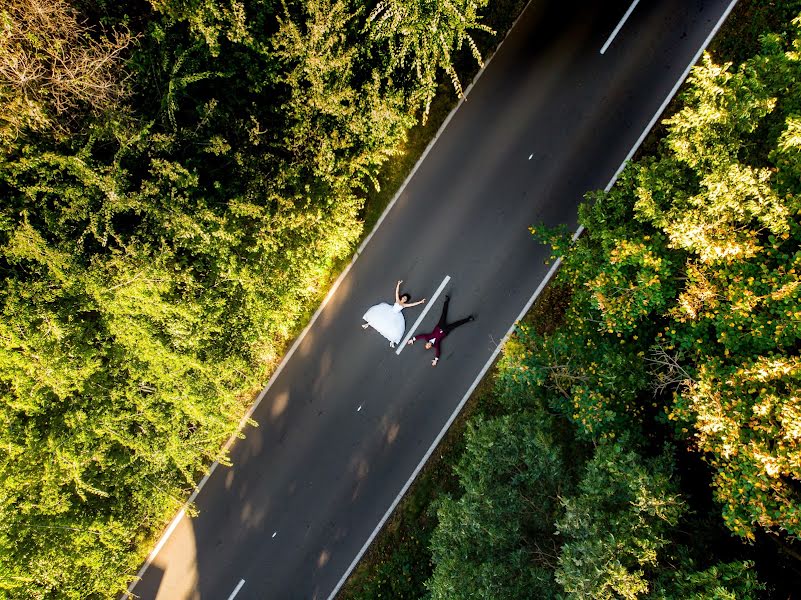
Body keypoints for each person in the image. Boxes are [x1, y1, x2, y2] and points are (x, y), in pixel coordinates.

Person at [407, 295, 474, 366]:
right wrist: (435, 360)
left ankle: (446, 300)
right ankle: (468, 319)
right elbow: (438, 352)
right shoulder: (436, 345)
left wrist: (412, 339)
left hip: (440, 326)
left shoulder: (427, 338)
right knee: (456, 324)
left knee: (444, 314)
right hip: (445, 331)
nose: (428, 345)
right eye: (429, 347)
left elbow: (421, 336)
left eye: (427, 345)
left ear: (426, 343)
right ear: (430, 347)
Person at [362, 280, 425, 347]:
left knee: (392, 328)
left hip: (395, 316)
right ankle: (368, 324)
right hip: (389, 311)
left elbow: (412, 304)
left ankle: (392, 341)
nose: (404, 299)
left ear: (406, 301)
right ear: (402, 297)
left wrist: (420, 302)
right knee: (379, 318)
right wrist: (398, 284)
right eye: (404, 297)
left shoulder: (404, 305)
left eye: (405, 299)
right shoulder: (397, 300)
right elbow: (396, 292)